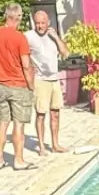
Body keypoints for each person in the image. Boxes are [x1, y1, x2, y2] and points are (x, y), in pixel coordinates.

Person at [0, 3, 36, 169]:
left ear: (6, 16)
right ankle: (18, 160)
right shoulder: (19, 37)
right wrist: (31, 85)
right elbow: (26, 65)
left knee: (3, 122)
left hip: (1, 85)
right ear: (18, 17)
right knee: (19, 124)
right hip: (18, 85)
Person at [26, 9, 68, 154]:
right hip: (40, 81)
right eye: (37, 23)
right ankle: (42, 146)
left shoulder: (52, 35)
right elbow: (21, 55)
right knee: (41, 114)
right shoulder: (28, 37)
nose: (40, 26)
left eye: (43, 23)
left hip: (54, 79)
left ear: (48, 22)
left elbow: (65, 53)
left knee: (55, 113)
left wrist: (56, 37)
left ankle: (55, 144)